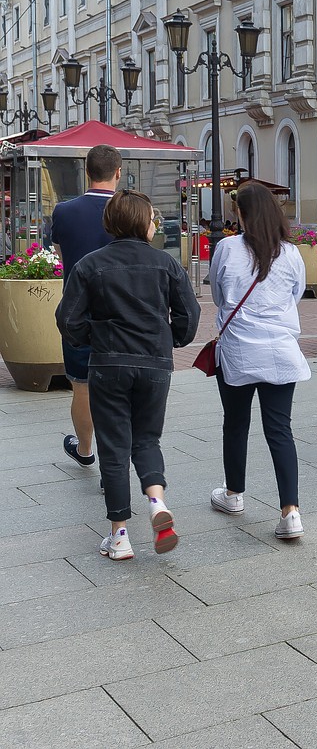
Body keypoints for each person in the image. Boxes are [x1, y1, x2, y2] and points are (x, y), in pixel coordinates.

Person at [56, 190, 200, 560]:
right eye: (153, 218)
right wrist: (172, 338)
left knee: (115, 447)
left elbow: (67, 318)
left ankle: (119, 535)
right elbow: (189, 315)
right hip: (154, 363)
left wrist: (93, 337)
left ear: (111, 223)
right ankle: (156, 502)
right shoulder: (167, 265)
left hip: (107, 363)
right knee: (147, 439)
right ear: (144, 224)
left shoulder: (90, 265)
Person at [207, 182, 311, 540]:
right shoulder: (292, 254)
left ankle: (234, 493)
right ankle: (291, 512)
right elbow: (296, 296)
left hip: (237, 351)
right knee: (280, 429)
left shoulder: (225, 248)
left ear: (241, 214)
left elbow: (219, 296)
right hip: (281, 351)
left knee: (235, 424)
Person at [50, 144, 122, 468]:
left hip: (77, 310)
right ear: (118, 173)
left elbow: (62, 257)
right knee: (118, 387)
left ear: (87, 172)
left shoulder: (63, 212)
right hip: (121, 311)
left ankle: (84, 449)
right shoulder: (128, 210)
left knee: (81, 384)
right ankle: (114, 462)